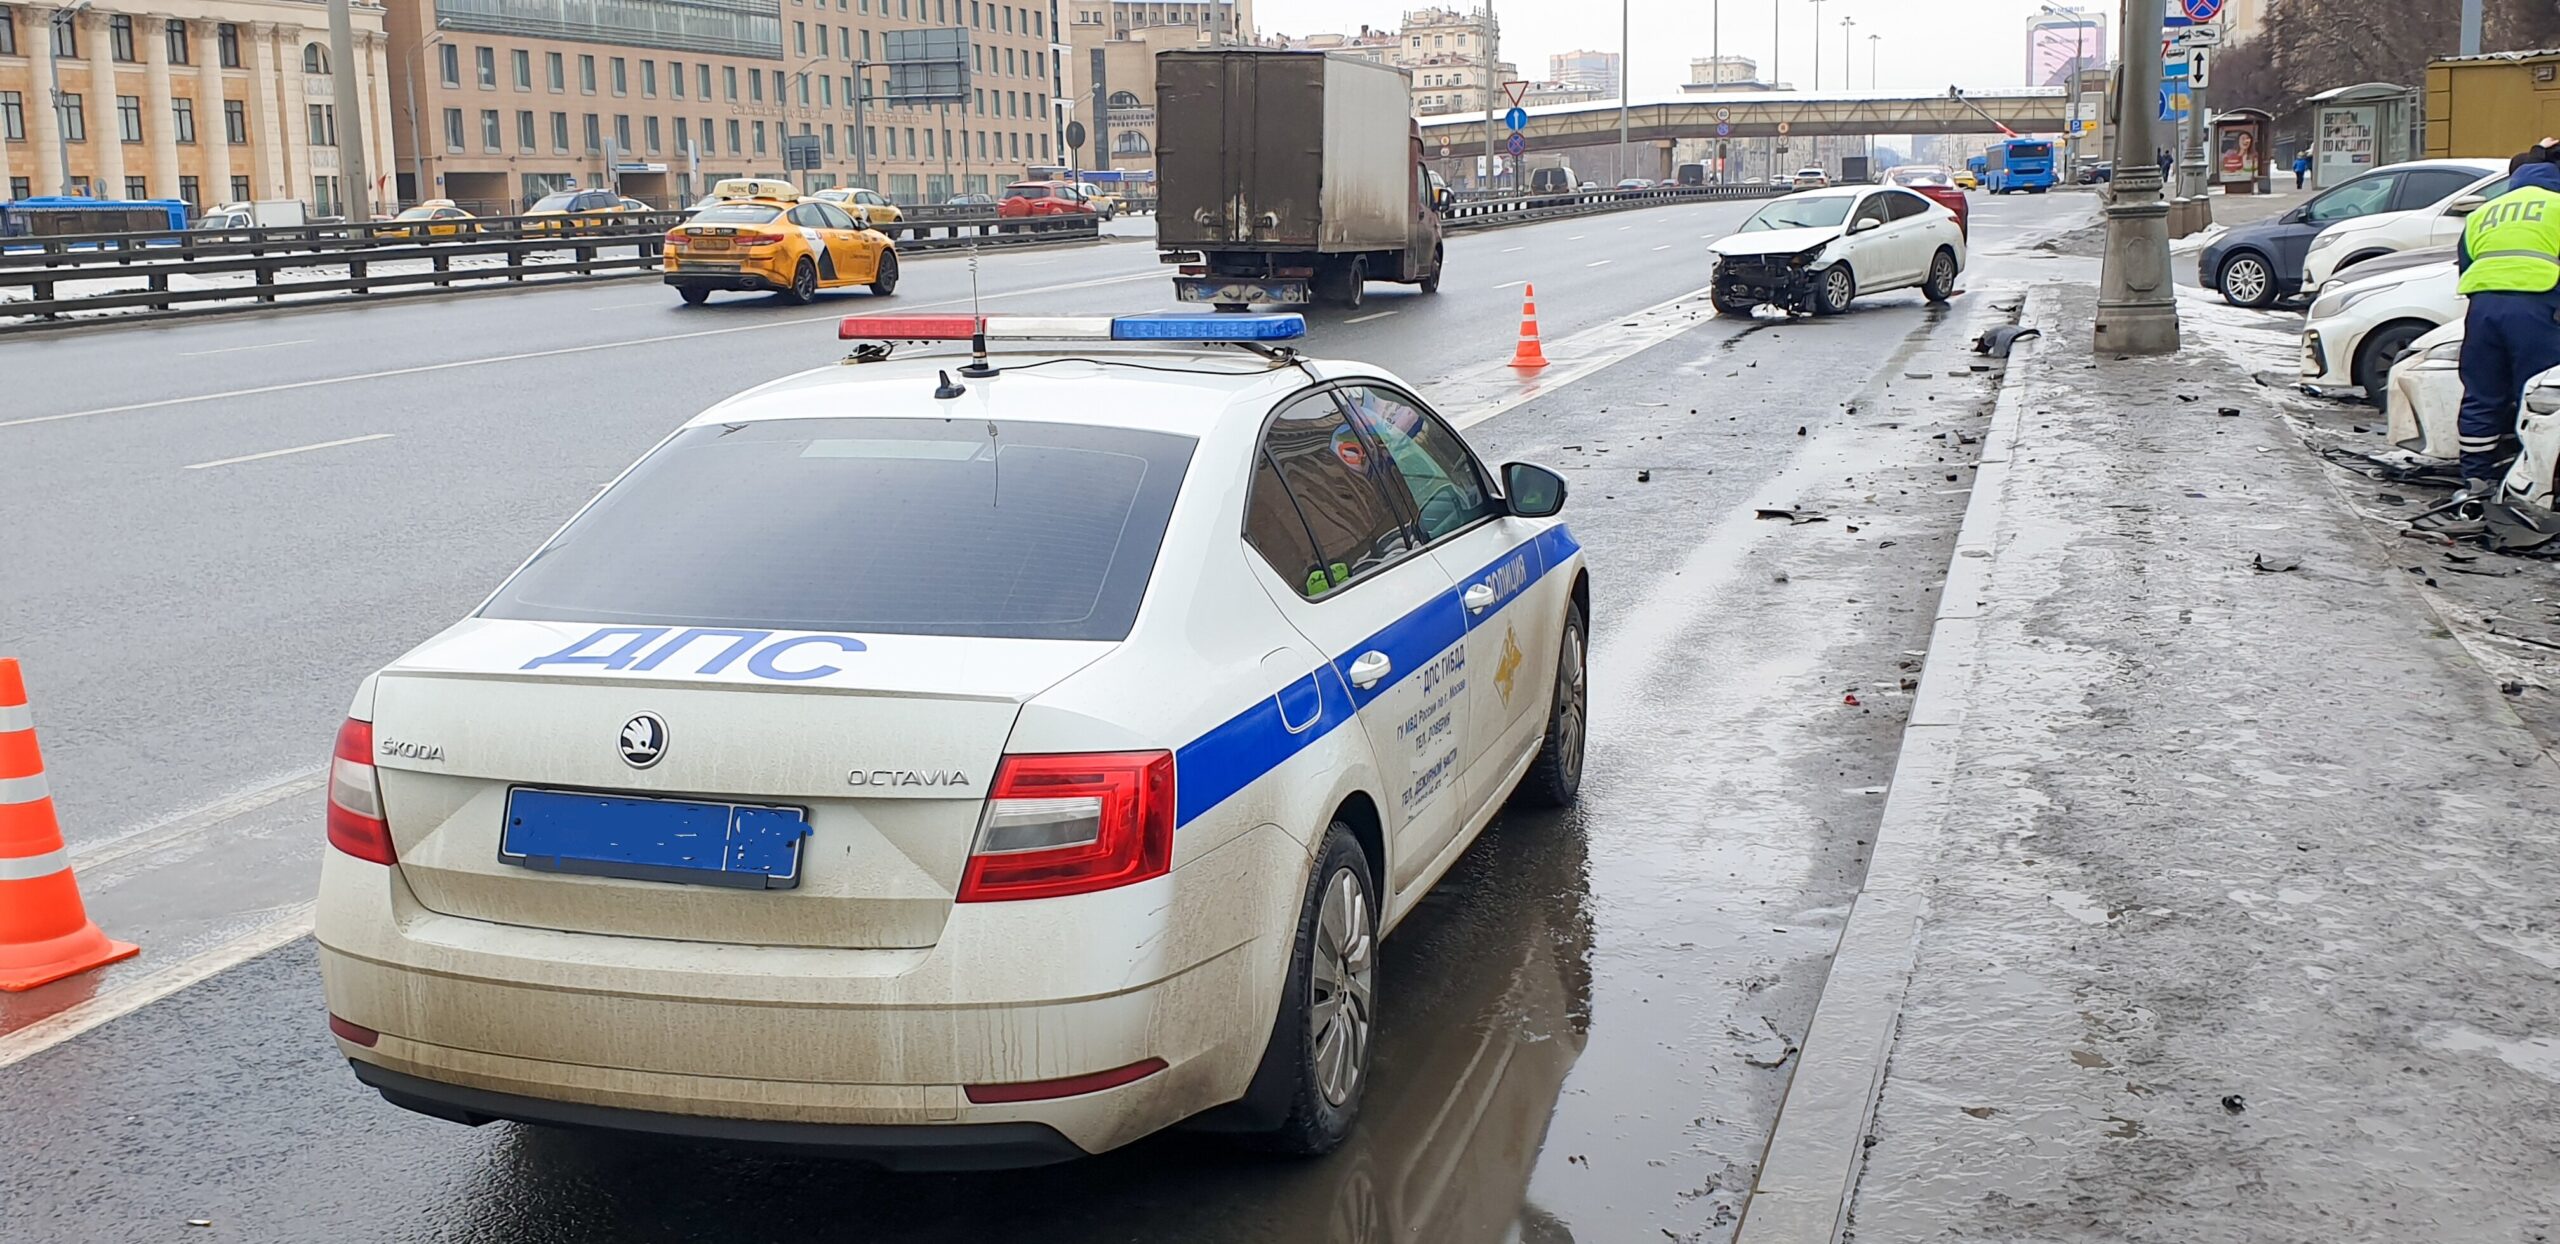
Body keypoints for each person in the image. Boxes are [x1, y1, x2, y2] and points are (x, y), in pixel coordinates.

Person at [2452, 156, 2560, 497]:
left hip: (2483, 310)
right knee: (2537, 397)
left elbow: (2465, 261)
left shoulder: (2485, 212)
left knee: (2481, 395)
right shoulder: (2557, 206)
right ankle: (2531, 479)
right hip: (2539, 305)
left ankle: (2475, 477)